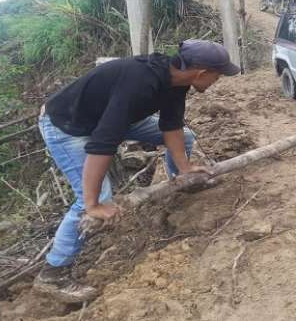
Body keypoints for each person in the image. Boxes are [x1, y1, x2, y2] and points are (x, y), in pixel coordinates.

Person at [33, 40, 241, 303]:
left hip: (109, 117)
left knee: (185, 136)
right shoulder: (139, 83)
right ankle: (52, 274)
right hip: (68, 125)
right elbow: (103, 141)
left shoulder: (176, 82)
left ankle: (183, 181)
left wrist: (187, 168)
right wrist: (93, 203)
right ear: (201, 73)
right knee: (95, 198)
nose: (217, 80)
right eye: (218, 75)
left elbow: (172, 125)